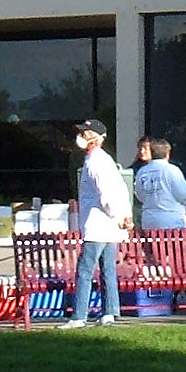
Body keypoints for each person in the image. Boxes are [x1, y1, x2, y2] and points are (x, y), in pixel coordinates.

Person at [66, 119, 131, 329]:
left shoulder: (96, 162)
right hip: (108, 226)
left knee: (85, 270)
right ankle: (110, 312)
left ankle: (79, 316)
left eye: (86, 133)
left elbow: (107, 193)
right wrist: (122, 216)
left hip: (98, 225)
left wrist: (118, 216)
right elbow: (119, 190)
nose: (82, 137)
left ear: (97, 137)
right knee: (107, 270)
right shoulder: (105, 160)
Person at [133, 138, 186, 230]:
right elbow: (184, 194)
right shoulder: (171, 170)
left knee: (152, 244)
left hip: (149, 219)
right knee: (172, 244)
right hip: (171, 219)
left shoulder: (142, 171)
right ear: (167, 154)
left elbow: (140, 194)